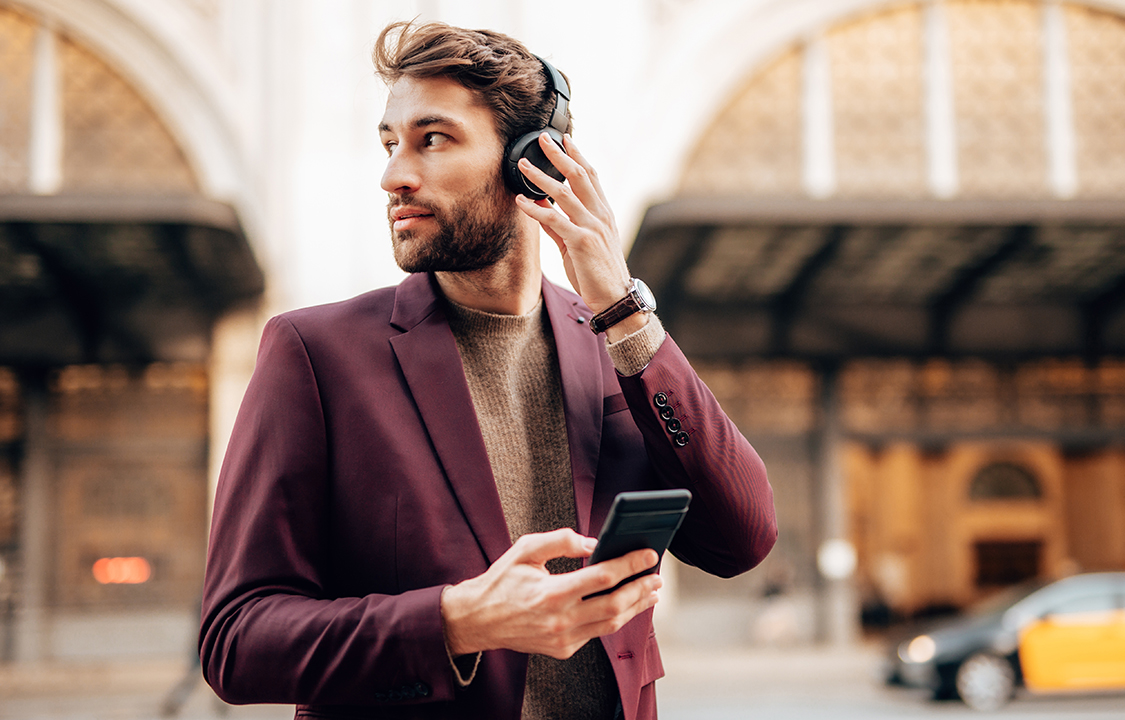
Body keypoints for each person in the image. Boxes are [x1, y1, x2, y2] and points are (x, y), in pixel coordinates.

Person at [199, 20, 776, 720]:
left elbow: (742, 537)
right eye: (389, 144)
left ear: (533, 161)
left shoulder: (618, 344)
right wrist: (455, 621)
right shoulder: (315, 354)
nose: (393, 175)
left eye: (432, 139)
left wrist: (626, 316)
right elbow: (235, 640)